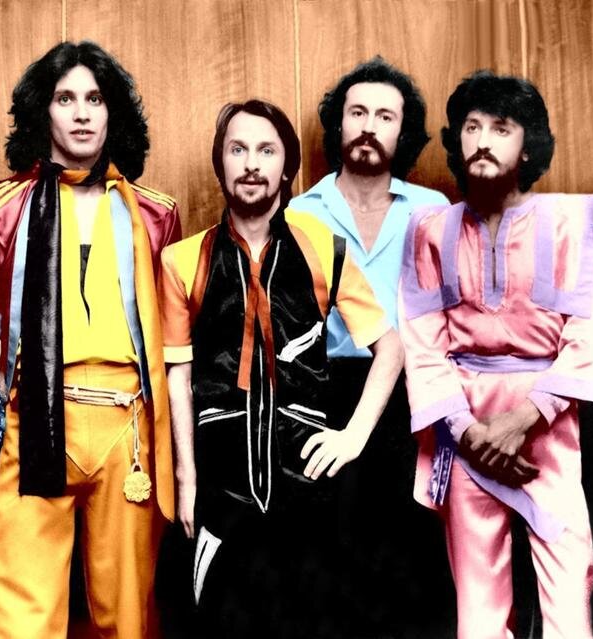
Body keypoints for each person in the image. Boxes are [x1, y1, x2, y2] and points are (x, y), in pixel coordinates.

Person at [159, 99, 402, 638]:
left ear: (287, 165)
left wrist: (353, 436)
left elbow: (391, 348)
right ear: (220, 163)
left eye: (266, 151)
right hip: (221, 489)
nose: (251, 163)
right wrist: (186, 479)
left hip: (307, 484)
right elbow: (179, 377)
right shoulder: (181, 261)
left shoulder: (325, 250)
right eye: (238, 149)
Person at [0, 41, 180, 639]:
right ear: (44, 110)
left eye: (95, 98)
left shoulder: (156, 214)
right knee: (24, 614)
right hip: (34, 417)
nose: (82, 113)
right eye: (66, 99)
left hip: (127, 426)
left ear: (114, 112)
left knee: (129, 614)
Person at [399, 70, 593, 639]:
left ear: (528, 145)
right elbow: (422, 346)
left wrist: (521, 421)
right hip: (461, 425)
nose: (483, 140)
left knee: (569, 585)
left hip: (548, 428)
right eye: (471, 127)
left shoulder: (571, 227)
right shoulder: (430, 231)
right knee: (478, 598)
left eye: (501, 127)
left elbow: (588, 339)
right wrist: (470, 434)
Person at [289, 56, 453, 636]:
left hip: (415, 395)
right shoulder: (301, 212)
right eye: (357, 112)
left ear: (402, 132)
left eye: (385, 116)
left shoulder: (432, 211)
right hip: (327, 389)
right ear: (339, 124)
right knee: (329, 554)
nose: (368, 126)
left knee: (413, 554)